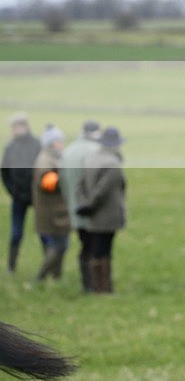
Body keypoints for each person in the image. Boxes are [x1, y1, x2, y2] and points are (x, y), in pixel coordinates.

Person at [76, 127, 126, 293]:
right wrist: (91, 204)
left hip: (92, 215)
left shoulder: (91, 159)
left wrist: (85, 204)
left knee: (96, 249)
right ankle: (103, 288)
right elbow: (102, 190)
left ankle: (96, 286)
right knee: (103, 251)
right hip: (107, 215)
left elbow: (81, 184)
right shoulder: (112, 163)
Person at [59, 120, 101, 291]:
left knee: (84, 245)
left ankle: (87, 282)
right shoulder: (94, 151)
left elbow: (62, 180)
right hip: (91, 208)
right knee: (93, 247)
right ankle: (93, 283)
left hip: (73, 206)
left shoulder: (68, 151)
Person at [2, 112, 43, 273]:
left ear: (24, 126)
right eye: (13, 127)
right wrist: (12, 191)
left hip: (37, 196)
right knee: (16, 233)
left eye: (16, 127)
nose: (14, 130)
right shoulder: (10, 147)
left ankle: (48, 266)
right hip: (18, 197)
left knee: (43, 231)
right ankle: (11, 267)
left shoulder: (37, 144)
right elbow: (4, 173)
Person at [32, 126, 70, 281]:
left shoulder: (51, 157)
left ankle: (56, 277)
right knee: (60, 246)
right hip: (52, 211)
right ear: (52, 143)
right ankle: (41, 277)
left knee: (59, 245)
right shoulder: (46, 160)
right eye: (59, 141)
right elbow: (48, 184)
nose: (62, 144)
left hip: (54, 210)